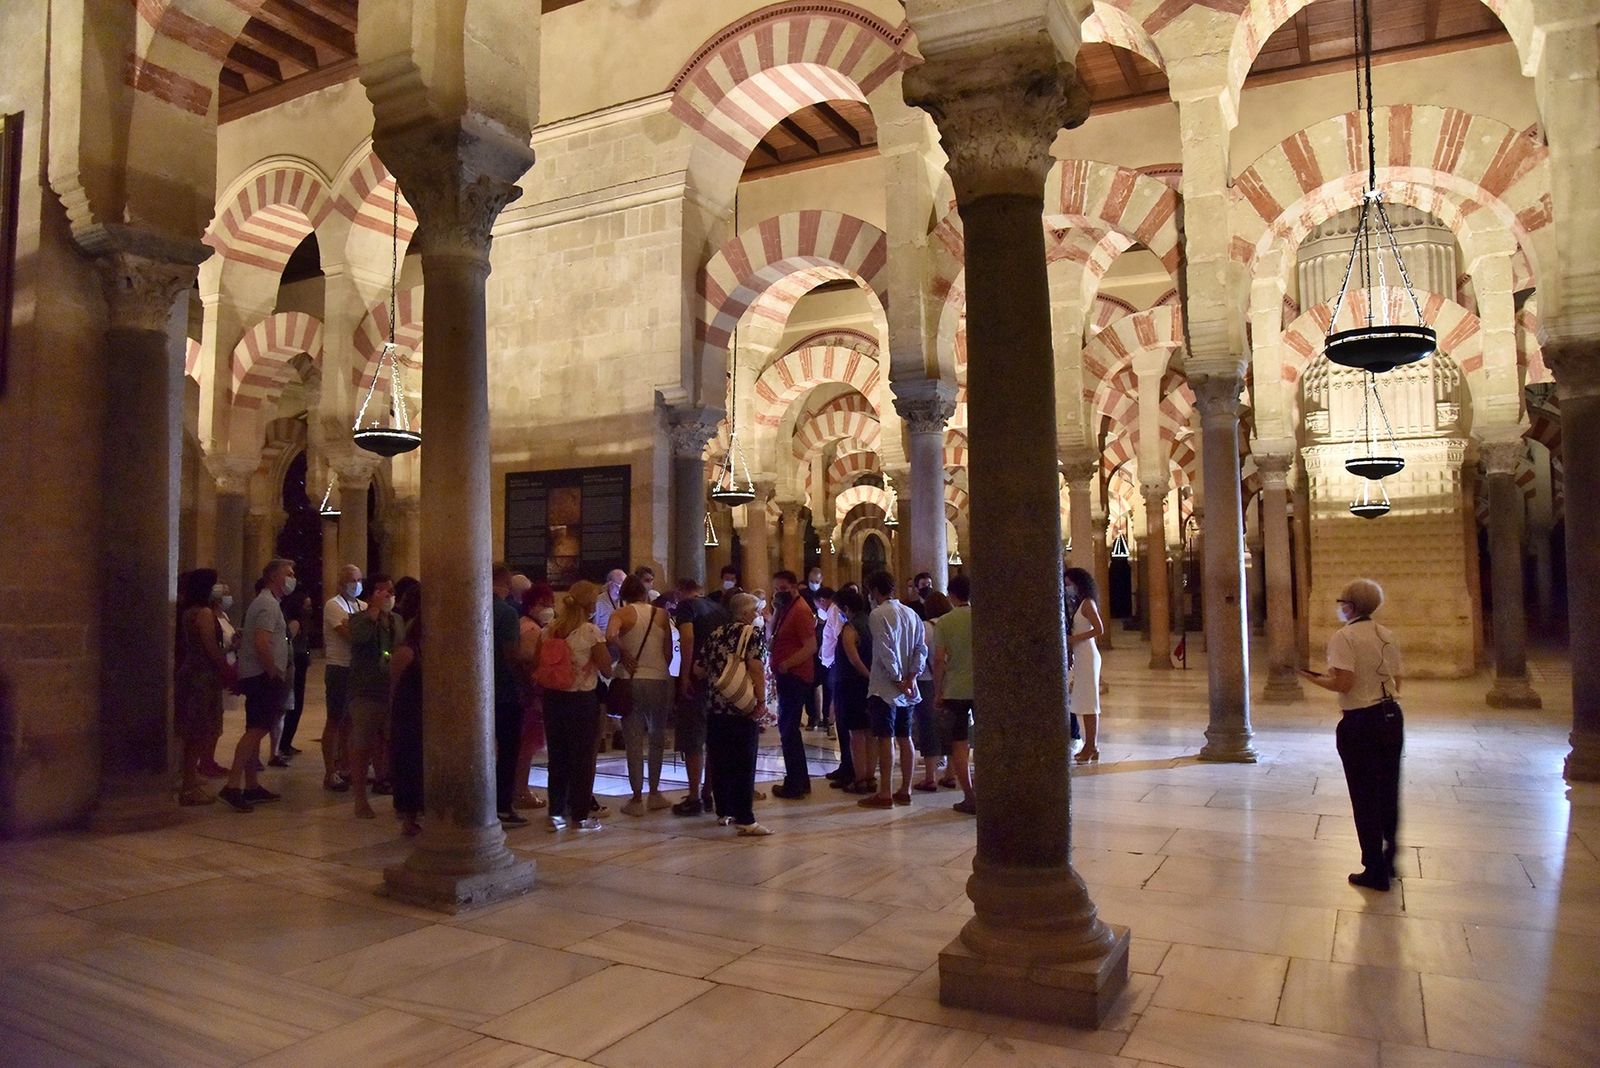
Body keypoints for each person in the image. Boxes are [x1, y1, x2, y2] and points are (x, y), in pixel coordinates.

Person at [1300, 578, 1405, 892]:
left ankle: (1373, 869)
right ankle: (1389, 859)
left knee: (1364, 795)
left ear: (1351, 606)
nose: (1340, 608)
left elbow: (1344, 683)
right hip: (1391, 716)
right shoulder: (1386, 634)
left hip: (1361, 721)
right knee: (1388, 790)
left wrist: (1311, 677)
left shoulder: (1344, 637)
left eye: (1342, 603)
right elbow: (1398, 681)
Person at [535, 580, 612, 831]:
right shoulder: (589, 632)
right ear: (590, 604)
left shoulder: (548, 630)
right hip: (581, 699)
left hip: (553, 698)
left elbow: (538, 662)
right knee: (582, 758)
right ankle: (579, 816)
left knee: (557, 757)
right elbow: (606, 668)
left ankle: (555, 813)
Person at [219, 559, 295, 812]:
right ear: (275, 577)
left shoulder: (268, 602)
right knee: (256, 730)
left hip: (259, 674)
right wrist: (273, 670)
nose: (292, 578)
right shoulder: (267, 604)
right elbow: (262, 642)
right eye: (288, 573)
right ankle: (232, 785)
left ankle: (251, 785)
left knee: (256, 727)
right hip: (262, 676)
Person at [701, 592, 772, 836]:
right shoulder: (752, 634)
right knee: (744, 760)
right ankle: (746, 817)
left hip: (716, 705)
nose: (758, 615)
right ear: (743, 613)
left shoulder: (715, 633)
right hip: (742, 706)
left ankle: (724, 811)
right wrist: (761, 700)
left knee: (720, 759)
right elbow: (757, 668)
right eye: (755, 611)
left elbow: (699, 668)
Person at [607, 574, 674, 815]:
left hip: (630, 679)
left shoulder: (621, 614)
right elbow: (668, 651)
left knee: (633, 740)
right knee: (657, 737)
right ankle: (655, 793)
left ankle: (636, 798)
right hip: (658, 678)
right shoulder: (661, 614)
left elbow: (610, 635)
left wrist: (624, 653)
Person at [859, 570, 926, 808]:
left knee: (885, 738)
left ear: (875, 591)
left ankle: (885, 792)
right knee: (905, 736)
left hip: (884, 687)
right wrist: (912, 677)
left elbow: (886, 651)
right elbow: (921, 647)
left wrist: (899, 679)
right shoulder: (911, 613)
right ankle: (905, 789)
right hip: (908, 686)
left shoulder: (878, 614)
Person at [671, 575, 729, 815]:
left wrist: (685, 674)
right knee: (713, 737)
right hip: (718, 679)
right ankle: (709, 792)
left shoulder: (686, 606)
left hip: (697, 678)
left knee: (693, 738)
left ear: (680, 591)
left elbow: (687, 637)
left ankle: (694, 796)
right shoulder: (720, 609)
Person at [174, 568, 228, 805]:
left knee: (193, 729)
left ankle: (189, 777)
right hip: (202, 675)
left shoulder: (188, 611)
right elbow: (208, 645)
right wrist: (224, 663)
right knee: (199, 729)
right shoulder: (204, 612)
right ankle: (189, 786)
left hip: (191, 671)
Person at [347, 574, 398, 820]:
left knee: (390, 742)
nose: (388, 595)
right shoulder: (358, 619)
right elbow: (358, 639)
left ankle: (386, 779)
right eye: (382, 591)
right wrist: (373, 616)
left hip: (390, 690)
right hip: (367, 690)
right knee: (362, 744)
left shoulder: (396, 620)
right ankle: (359, 799)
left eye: (391, 591)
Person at [768, 570, 817, 799]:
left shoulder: (801, 611)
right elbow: (772, 636)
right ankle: (800, 779)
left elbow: (810, 646)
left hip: (794, 676)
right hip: (786, 674)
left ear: (795, 588)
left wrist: (787, 663)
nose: (779, 593)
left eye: (783, 589)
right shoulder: (786, 609)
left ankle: (795, 784)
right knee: (788, 730)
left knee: (788, 729)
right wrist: (776, 609)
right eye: (776, 589)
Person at [934, 575, 975, 814]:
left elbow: (939, 660)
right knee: (982, 742)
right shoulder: (981, 617)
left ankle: (969, 795)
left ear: (952, 595)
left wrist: (937, 691)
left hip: (955, 689)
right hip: (980, 687)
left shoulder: (946, 622)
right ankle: (984, 791)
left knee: (959, 743)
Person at [491, 563, 528, 826]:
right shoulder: (505, 612)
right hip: (504, 691)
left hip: (472, 695)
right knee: (507, 751)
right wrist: (525, 685)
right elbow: (511, 654)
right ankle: (503, 806)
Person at [829, 586, 875, 795]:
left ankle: (860, 779)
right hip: (869, 684)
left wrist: (868, 676)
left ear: (846, 608)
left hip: (852, 684)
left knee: (856, 735)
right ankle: (870, 776)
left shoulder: (850, 627)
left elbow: (853, 659)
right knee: (870, 733)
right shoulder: (871, 622)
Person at [321, 564, 364, 792]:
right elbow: (353, 635)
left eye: (358, 579)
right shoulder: (333, 605)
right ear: (341, 582)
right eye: (351, 580)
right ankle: (330, 771)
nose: (355, 584)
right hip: (339, 667)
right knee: (335, 719)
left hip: (356, 669)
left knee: (350, 721)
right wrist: (359, 626)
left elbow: (372, 631)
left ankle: (346, 766)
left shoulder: (361, 605)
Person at [513, 583, 554, 810]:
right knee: (526, 747)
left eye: (550, 604)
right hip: (531, 694)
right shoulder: (531, 630)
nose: (547, 608)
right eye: (542, 604)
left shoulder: (525, 625)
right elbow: (530, 663)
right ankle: (520, 790)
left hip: (525, 693)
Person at [389, 586, 424, 837]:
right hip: (408, 713)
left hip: (426, 713)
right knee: (410, 764)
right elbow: (394, 686)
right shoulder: (407, 651)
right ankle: (409, 816)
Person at [913, 592, 953, 792]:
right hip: (952, 681)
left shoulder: (925, 627)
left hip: (927, 681)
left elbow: (919, 655)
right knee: (953, 727)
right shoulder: (953, 625)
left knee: (928, 727)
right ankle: (951, 774)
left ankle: (930, 777)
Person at [200, 582, 240, 778]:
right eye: (225, 593)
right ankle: (205, 760)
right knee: (211, 718)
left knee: (218, 717)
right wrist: (230, 649)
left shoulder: (223, 615)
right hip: (219, 667)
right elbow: (213, 647)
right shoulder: (208, 616)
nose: (228, 597)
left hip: (229, 665)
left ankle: (210, 758)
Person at [1066, 567, 1106, 763]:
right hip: (1081, 655)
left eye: (1069, 583)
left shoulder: (1088, 604)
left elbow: (1099, 629)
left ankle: (1091, 746)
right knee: (1084, 702)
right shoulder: (1079, 604)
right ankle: (1090, 745)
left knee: (1090, 703)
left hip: (1088, 654)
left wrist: (1074, 639)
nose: (1067, 587)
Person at [276, 588, 313, 763]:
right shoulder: (295, 623)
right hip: (295, 664)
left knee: (297, 704)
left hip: (300, 662)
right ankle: (284, 743)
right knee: (294, 704)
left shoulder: (302, 623)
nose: (309, 609)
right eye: (306, 605)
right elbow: (288, 641)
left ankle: (287, 742)